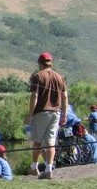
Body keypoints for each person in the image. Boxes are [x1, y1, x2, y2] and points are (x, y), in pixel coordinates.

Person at [26, 51, 68, 180]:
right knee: (50, 141)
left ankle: (34, 168)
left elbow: (34, 96)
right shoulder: (59, 77)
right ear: (50, 63)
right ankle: (49, 169)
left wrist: (30, 114)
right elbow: (65, 97)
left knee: (37, 140)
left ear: (40, 63)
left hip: (41, 112)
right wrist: (64, 115)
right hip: (56, 113)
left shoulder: (37, 76)